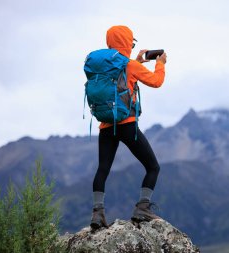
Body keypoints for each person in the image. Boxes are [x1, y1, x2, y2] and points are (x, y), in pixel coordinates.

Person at [90, 25, 167, 230]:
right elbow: (157, 81)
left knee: (103, 169)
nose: (132, 46)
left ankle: (97, 214)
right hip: (127, 124)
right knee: (153, 167)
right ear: (126, 43)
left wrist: (137, 61)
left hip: (106, 125)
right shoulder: (130, 66)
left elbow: (122, 73)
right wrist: (160, 64)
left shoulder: (103, 66)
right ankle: (143, 208)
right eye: (131, 43)